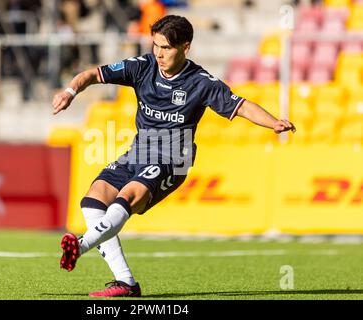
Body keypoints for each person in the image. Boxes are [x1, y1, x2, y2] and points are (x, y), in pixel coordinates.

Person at [52, 15, 296, 297]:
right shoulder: (143, 67)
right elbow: (91, 74)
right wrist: (70, 91)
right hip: (139, 151)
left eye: (166, 48)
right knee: (93, 201)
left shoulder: (201, 82)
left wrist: (273, 122)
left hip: (172, 158)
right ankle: (127, 284)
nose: (158, 53)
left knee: (127, 197)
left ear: (185, 48)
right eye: (155, 45)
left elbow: (240, 106)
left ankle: (80, 246)